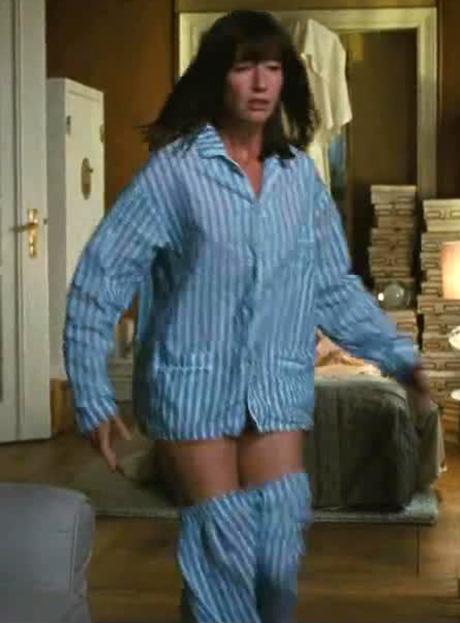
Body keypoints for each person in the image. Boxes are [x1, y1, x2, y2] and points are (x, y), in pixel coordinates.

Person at [63, 10, 431, 623]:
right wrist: (92, 394)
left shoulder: (299, 181)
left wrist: (397, 355)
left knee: (276, 558)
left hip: (276, 388)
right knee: (224, 551)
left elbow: (331, 287)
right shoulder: (175, 173)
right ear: (219, 77)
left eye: (273, 67)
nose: (260, 83)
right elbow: (100, 280)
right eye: (244, 67)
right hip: (192, 390)